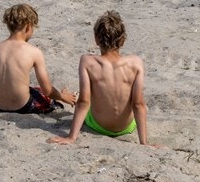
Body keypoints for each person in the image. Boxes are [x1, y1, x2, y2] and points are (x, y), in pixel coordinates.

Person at [52, 10, 150, 146]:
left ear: (96, 39)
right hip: (126, 127)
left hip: (99, 126)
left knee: (84, 96)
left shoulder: (87, 62)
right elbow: (138, 104)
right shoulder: (136, 63)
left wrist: (71, 137)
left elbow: (83, 102)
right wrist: (144, 143)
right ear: (122, 40)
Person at [0, 3, 77, 115]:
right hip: (23, 107)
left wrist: (3, 89)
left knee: (33, 89)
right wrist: (62, 97)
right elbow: (47, 90)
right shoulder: (34, 52)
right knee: (46, 97)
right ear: (28, 26)